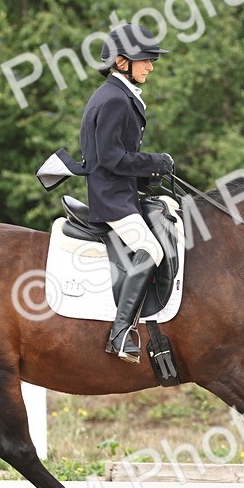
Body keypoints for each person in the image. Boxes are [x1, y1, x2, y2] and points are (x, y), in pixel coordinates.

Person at [79, 23, 174, 362]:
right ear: (122, 62)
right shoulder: (116, 99)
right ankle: (120, 333)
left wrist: (147, 177)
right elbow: (110, 157)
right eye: (145, 60)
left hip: (121, 192)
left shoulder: (116, 95)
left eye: (151, 60)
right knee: (151, 249)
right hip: (112, 200)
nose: (151, 66)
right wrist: (155, 162)